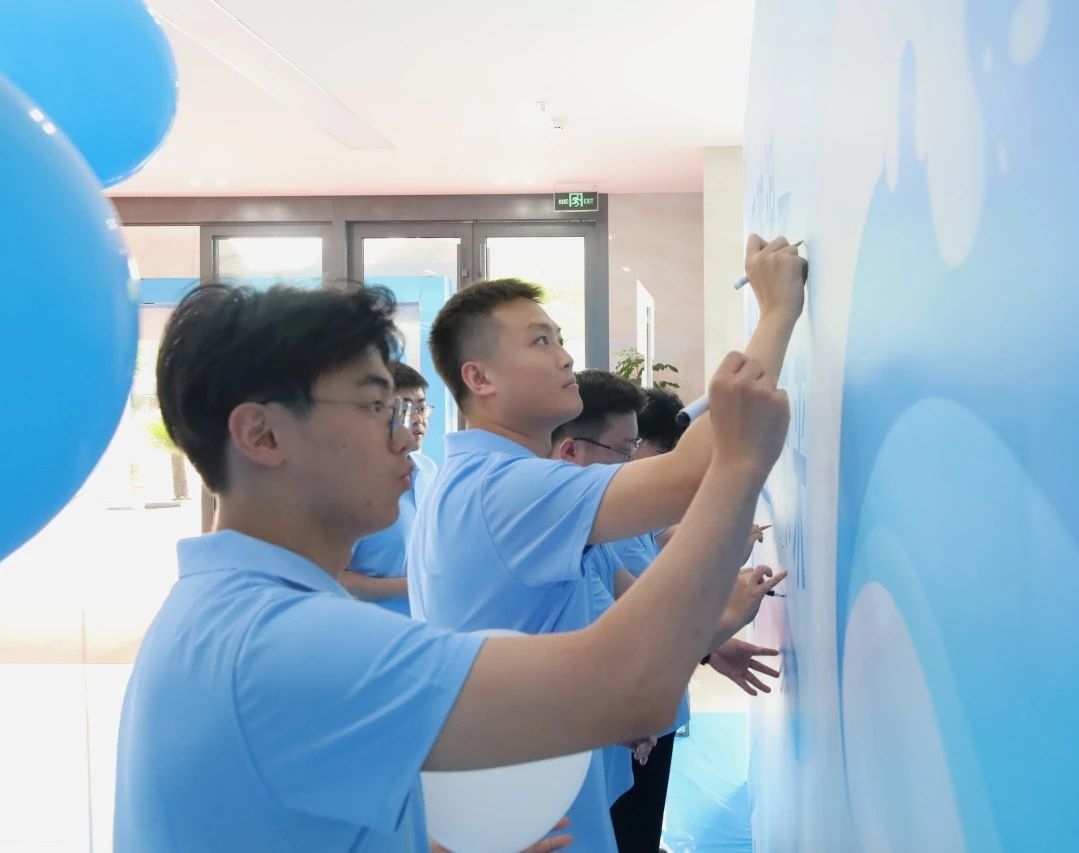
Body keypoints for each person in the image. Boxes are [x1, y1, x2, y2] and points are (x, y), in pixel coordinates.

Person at [113, 282, 791, 852]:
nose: (403, 436)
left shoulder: (224, 610)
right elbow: (630, 688)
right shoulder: (284, 642)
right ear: (262, 434)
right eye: (376, 407)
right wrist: (738, 463)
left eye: (401, 409)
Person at [410, 234, 806, 851]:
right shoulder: (504, 489)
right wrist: (776, 312)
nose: (565, 357)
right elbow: (695, 471)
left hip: (539, 788)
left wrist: (704, 638)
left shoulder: (493, 481)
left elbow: (624, 610)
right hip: (529, 808)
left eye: (559, 338)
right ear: (478, 377)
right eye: (541, 342)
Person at [549, 370, 787, 839]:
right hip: (589, 747)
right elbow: (637, 641)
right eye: (625, 450)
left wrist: (713, 642)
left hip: (628, 727)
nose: (634, 465)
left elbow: (644, 608)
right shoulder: (555, 530)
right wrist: (722, 614)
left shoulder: (593, 534)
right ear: (570, 450)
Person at [340, 360, 436, 614]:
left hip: (427, 623)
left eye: (422, 408)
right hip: (372, 628)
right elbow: (332, 578)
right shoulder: (353, 485)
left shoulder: (429, 470)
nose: (418, 420)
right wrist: (411, 587)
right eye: (406, 408)